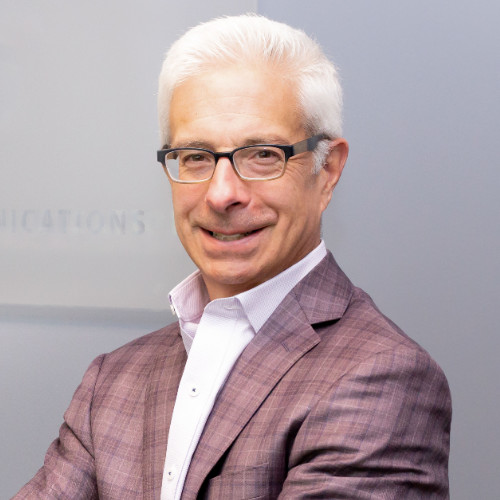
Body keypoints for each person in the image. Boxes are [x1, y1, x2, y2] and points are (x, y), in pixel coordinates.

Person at [14, 14, 451, 500]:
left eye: (263, 154)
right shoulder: (112, 380)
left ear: (327, 171)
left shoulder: (380, 377)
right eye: (197, 156)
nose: (222, 194)